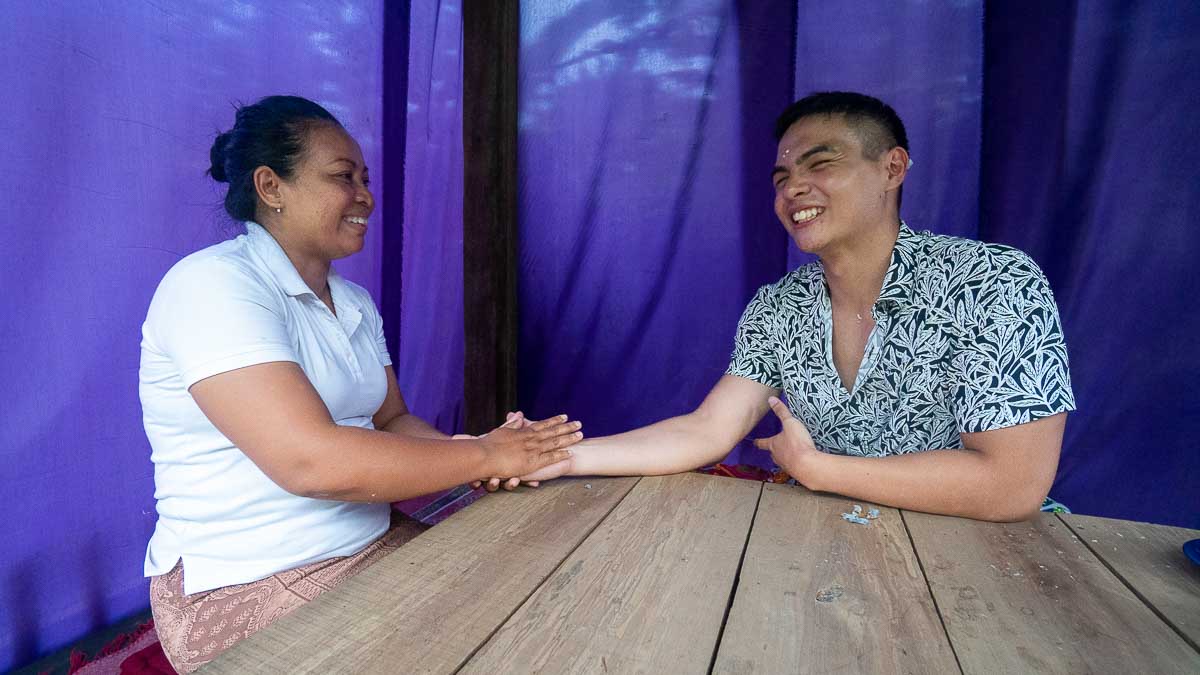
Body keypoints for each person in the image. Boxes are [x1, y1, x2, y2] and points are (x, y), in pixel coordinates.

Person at [138, 95, 581, 672]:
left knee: (542, 591)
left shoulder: (352, 303)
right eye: (344, 177)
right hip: (249, 578)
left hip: (364, 541)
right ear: (271, 187)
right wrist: (482, 455)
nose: (366, 196)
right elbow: (310, 462)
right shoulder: (211, 286)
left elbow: (391, 420)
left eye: (366, 179)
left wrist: (479, 456)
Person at [523, 91, 1076, 522]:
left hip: (987, 561)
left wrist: (817, 468)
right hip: (829, 542)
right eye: (783, 178)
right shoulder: (780, 306)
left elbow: (1013, 486)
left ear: (892, 168)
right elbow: (706, 431)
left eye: (821, 164)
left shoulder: (993, 281)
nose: (795, 189)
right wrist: (556, 458)